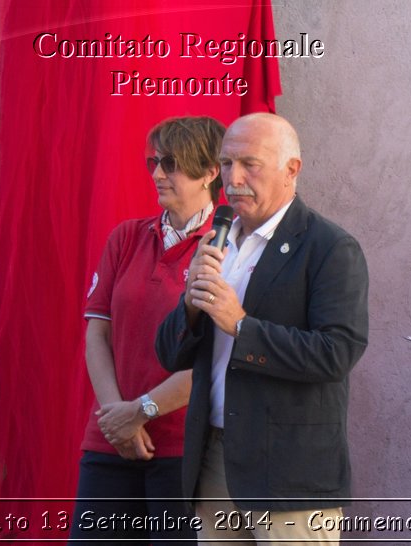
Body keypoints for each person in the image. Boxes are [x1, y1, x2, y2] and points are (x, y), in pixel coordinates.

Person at [155, 112, 369, 545]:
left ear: (292, 170)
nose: (233, 178)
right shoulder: (218, 240)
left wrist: (240, 325)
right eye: (227, 163)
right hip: (215, 458)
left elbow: (337, 353)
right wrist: (192, 308)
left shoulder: (329, 247)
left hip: (290, 473)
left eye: (250, 164)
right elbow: (168, 353)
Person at [71, 115, 225, 544]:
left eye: (172, 162)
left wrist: (142, 411)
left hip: (182, 450)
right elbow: (97, 333)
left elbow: (214, 360)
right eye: (154, 161)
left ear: (210, 172)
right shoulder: (126, 238)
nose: (158, 172)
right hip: (110, 439)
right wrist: (116, 416)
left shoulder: (226, 249)